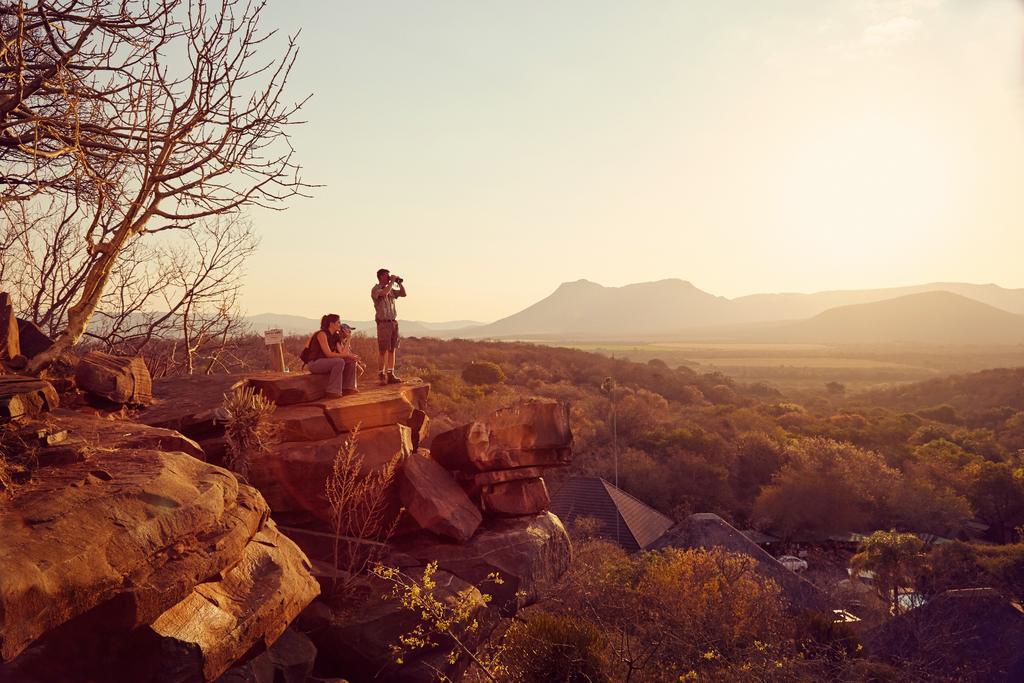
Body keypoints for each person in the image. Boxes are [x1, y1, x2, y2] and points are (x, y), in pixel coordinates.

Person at [305, 314, 361, 398]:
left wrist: (349, 338)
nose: (340, 325)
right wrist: (348, 356)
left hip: (327, 363)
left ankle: (348, 388)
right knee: (339, 361)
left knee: (350, 361)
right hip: (315, 363)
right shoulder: (322, 334)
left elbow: (343, 353)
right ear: (331, 324)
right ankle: (332, 391)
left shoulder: (335, 336)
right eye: (338, 322)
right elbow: (328, 354)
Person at [371, 267, 406, 384]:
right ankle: (381, 374)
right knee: (382, 350)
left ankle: (391, 373)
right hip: (383, 323)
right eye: (386, 275)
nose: (388, 277)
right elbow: (384, 293)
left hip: (393, 322)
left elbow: (403, 294)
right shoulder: (375, 289)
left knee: (392, 349)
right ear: (381, 276)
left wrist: (399, 283)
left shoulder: (391, 289)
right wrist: (392, 282)